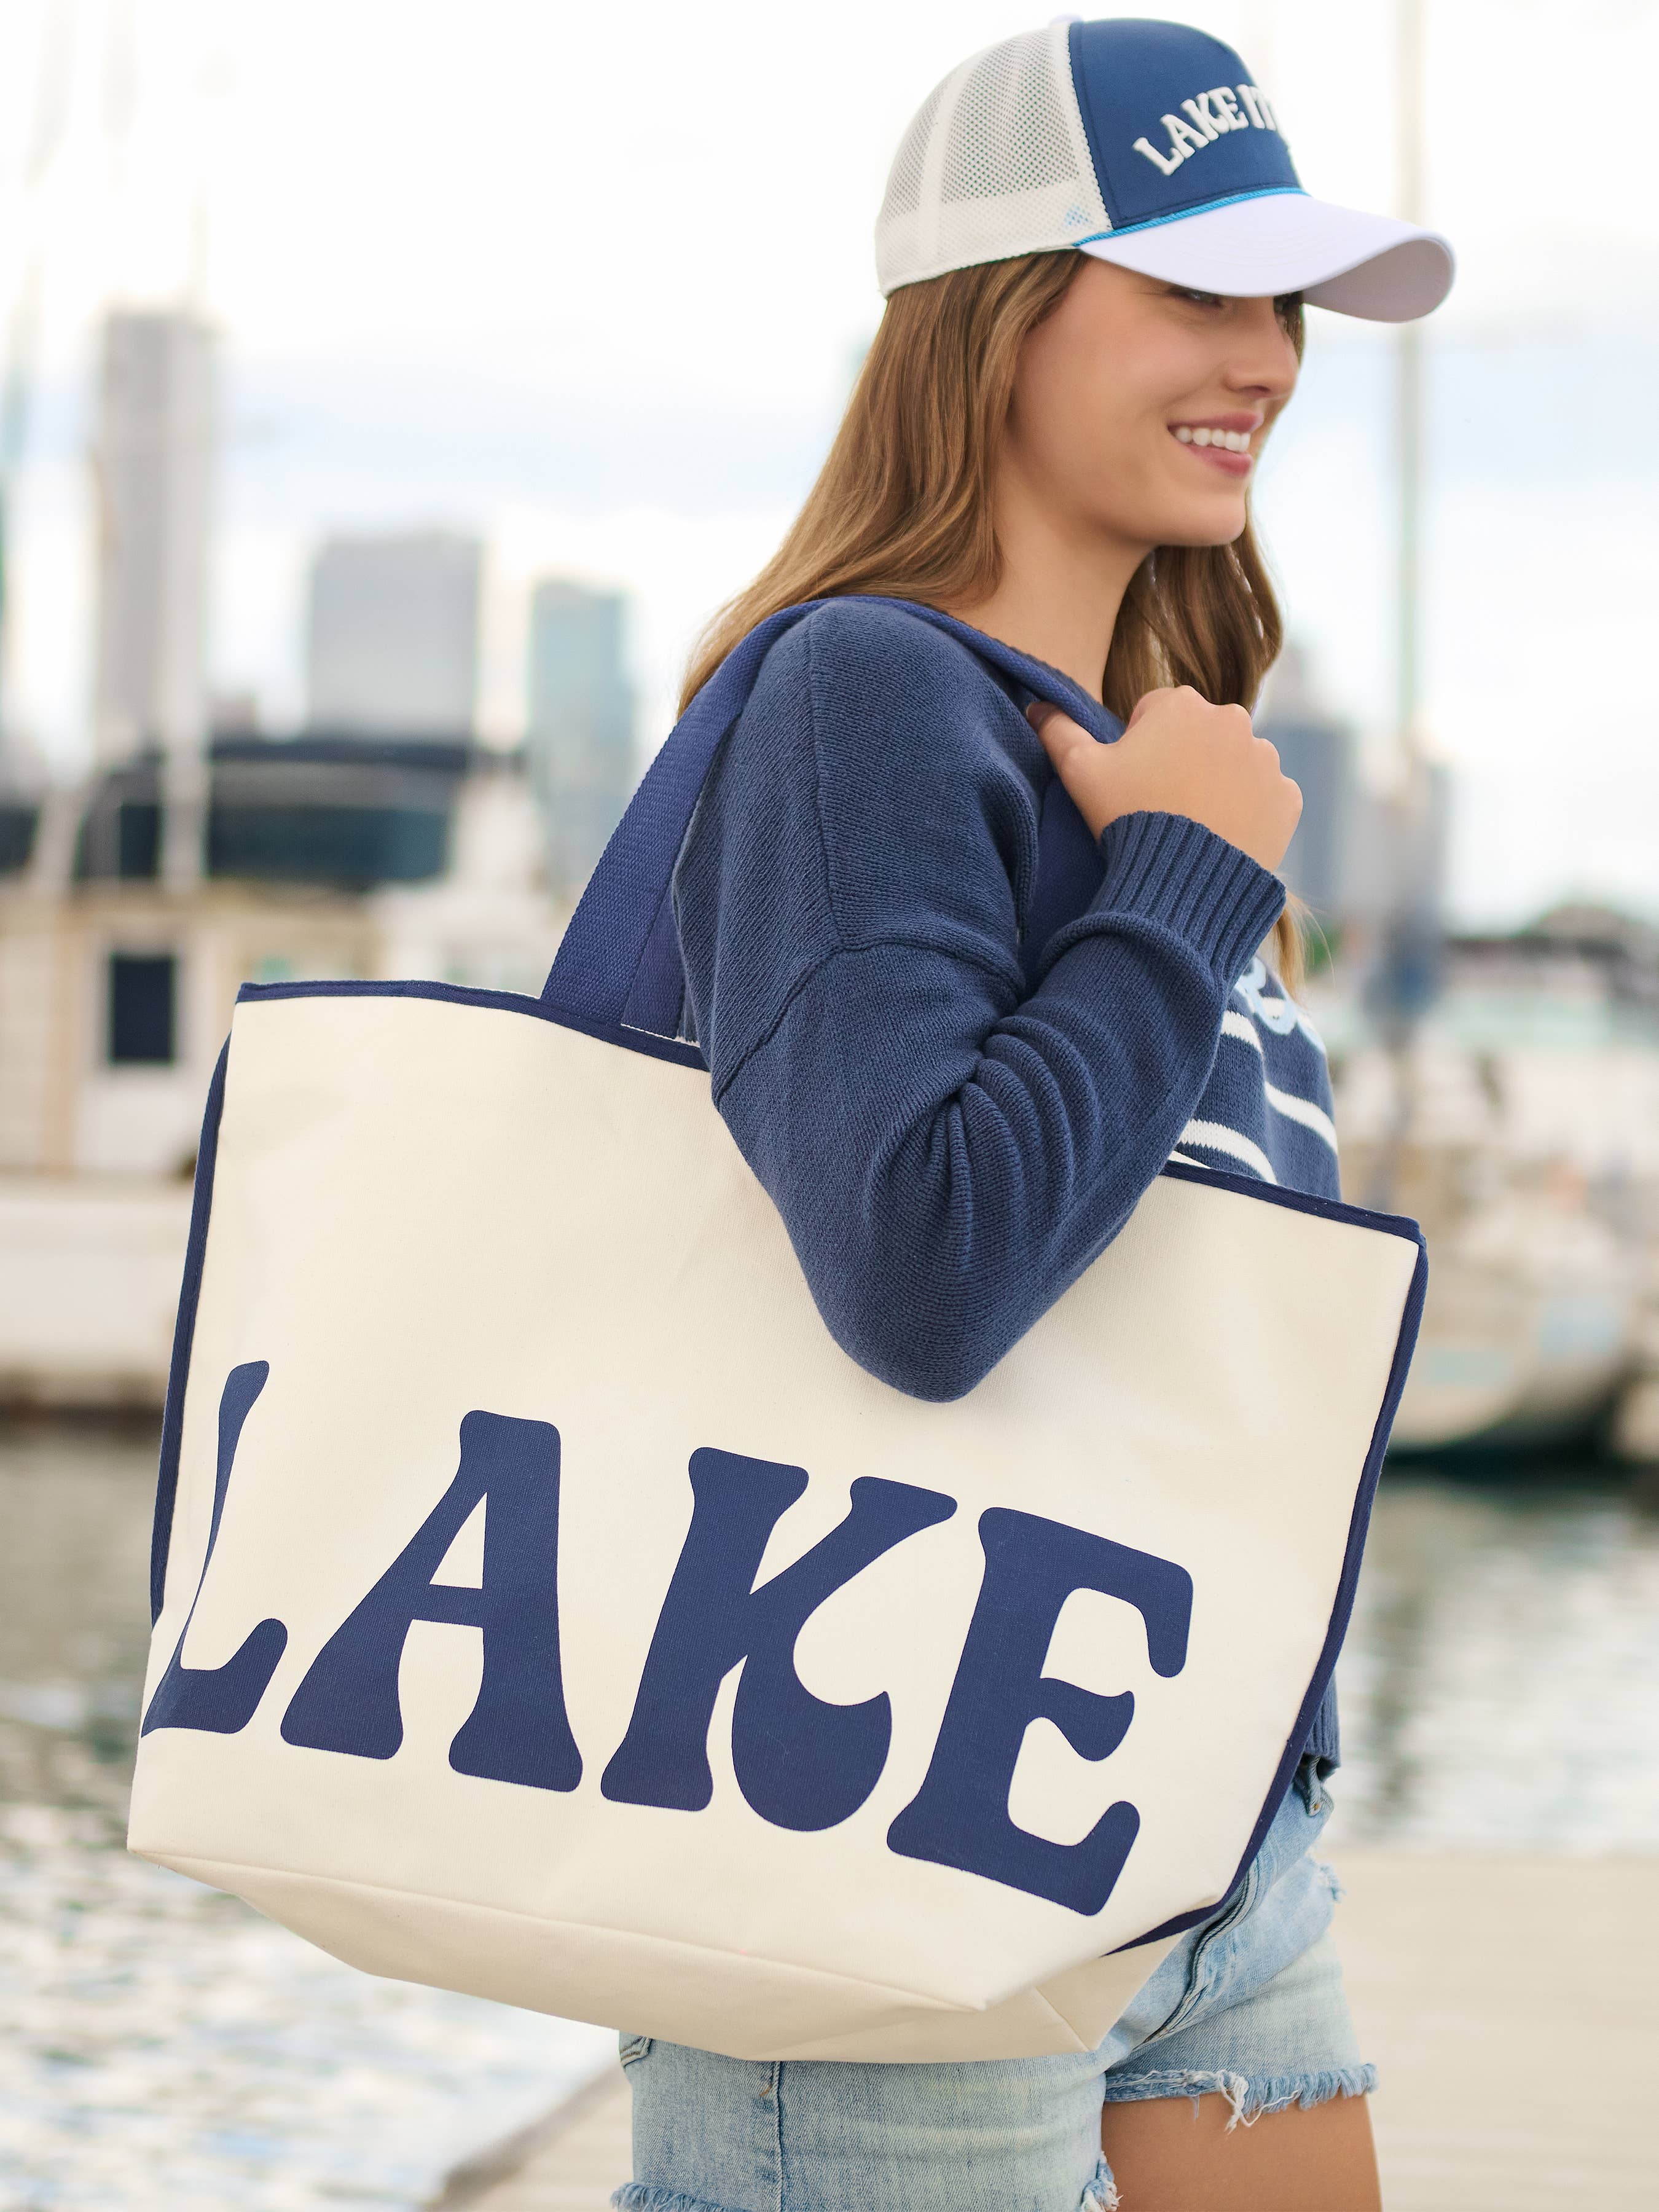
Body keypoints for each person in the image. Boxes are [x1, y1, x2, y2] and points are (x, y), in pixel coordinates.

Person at [615, 20, 1452, 2212]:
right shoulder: (863, 691)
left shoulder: (1159, 747)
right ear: (995, 315)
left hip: (1202, 1818)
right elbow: (920, 1258)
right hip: (888, 1811)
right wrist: (1179, 883)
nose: (1262, 355)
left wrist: (1184, 847)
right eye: (1192, 288)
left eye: (1282, 303)